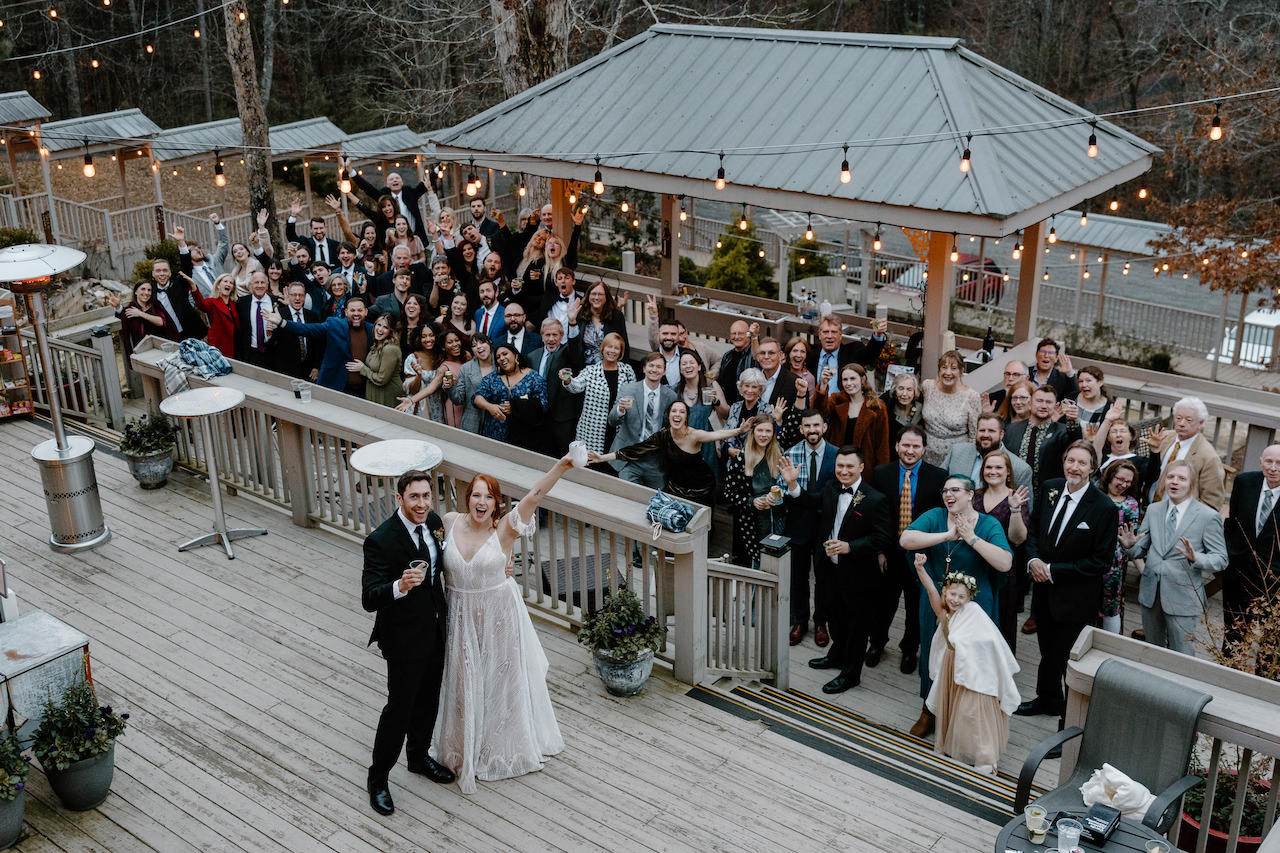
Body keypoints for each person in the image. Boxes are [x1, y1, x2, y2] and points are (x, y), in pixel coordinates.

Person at [432, 458, 573, 794]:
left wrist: (563, 466)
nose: (481, 502)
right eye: (476, 495)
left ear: (497, 504)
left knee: (498, 682)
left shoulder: (505, 529)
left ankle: (497, 748)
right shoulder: (449, 522)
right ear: (468, 499)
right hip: (459, 615)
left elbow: (535, 496)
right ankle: (460, 744)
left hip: (497, 618)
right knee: (462, 680)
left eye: (489, 497)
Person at [362, 469, 456, 816]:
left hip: (435, 629)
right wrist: (399, 587)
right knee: (399, 709)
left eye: (426, 496)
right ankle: (378, 778)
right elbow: (369, 597)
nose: (421, 503)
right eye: (414, 497)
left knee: (428, 700)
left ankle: (418, 758)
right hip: (402, 638)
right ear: (398, 499)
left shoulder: (433, 522)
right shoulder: (381, 540)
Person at [900, 475, 1012, 738]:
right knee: (932, 652)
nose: (948, 495)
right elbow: (906, 539)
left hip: (973, 608)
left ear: (971, 494)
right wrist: (948, 535)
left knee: (968, 660)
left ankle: (962, 715)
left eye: (956, 490)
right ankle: (929, 709)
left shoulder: (988, 524)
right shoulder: (936, 516)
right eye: (945, 490)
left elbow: (1005, 562)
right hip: (936, 600)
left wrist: (971, 538)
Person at [1016, 441, 1117, 728]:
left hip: (1076, 600)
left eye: (1082, 463)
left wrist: (1052, 570)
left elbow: (1101, 562)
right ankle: (1048, 699)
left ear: (1093, 469)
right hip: (1044, 592)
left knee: (1070, 662)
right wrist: (1033, 559)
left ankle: (1068, 723)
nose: (1074, 467)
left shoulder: (1103, 507)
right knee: (1047, 652)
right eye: (1070, 460)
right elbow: (1033, 529)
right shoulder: (1050, 487)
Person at [780, 446, 893, 693]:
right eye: (840, 466)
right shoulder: (832, 487)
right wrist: (792, 485)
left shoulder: (876, 499)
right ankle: (836, 656)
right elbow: (811, 501)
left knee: (856, 627)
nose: (843, 471)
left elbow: (883, 538)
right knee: (835, 619)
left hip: (859, 575)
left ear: (861, 467)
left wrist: (850, 546)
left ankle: (851, 675)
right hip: (830, 570)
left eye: (850, 466)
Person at [915, 558, 1020, 775]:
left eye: (961, 596)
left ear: (969, 597)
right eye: (952, 594)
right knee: (955, 710)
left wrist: (965, 647)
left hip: (975, 669)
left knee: (972, 713)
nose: (956, 600)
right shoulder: (943, 613)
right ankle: (960, 751)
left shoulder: (974, 613)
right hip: (951, 668)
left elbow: (988, 640)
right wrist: (919, 568)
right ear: (945, 592)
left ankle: (985, 758)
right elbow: (929, 589)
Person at [1118, 461, 1227, 655]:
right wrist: (1129, 546)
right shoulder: (1154, 510)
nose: (1174, 482)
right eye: (1170, 477)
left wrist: (1196, 558)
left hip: (1182, 598)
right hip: (1151, 594)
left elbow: (1221, 559)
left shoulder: (1207, 516)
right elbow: (1141, 549)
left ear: (1192, 483)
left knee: (1182, 656)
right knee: (1153, 651)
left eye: (1182, 478)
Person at [867, 426, 947, 688]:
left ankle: (910, 649)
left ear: (924, 449)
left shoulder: (938, 478)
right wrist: (878, 550)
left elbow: (940, 521)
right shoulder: (882, 473)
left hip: (920, 558)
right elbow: (874, 516)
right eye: (906, 445)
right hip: (888, 554)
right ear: (897, 446)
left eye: (916, 446)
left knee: (916, 606)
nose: (910, 451)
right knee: (882, 604)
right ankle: (877, 643)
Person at [590, 401, 747, 508]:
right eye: (674, 411)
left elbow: (718, 434)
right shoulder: (663, 436)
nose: (677, 414)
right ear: (669, 415)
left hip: (701, 487)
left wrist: (739, 430)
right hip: (676, 486)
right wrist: (602, 458)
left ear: (686, 417)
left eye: (682, 412)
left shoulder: (694, 435)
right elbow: (634, 451)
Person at [780, 410, 839, 647]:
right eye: (807, 426)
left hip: (827, 526)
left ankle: (821, 622)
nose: (812, 430)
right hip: (798, 525)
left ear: (824, 427)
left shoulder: (837, 455)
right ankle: (800, 620)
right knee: (798, 577)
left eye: (816, 425)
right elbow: (782, 489)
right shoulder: (790, 454)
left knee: (824, 578)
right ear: (801, 429)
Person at [1223, 444, 1280, 658]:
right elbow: (1231, 522)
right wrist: (1231, 554)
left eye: (1279, 464)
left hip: (1274, 579)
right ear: (1261, 462)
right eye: (1269, 462)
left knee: (1270, 645)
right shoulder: (1244, 482)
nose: (1273, 468)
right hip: (1238, 572)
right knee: (1233, 638)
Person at [266, 294, 374, 395]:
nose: (356, 313)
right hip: (337, 389)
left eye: (359, 310)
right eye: (352, 310)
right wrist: (282, 322)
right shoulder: (334, 324)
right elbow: (308, 329)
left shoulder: (372, 330)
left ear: (366, 312)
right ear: (346, 312)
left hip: (364, 391)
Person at [976, 448, 1030, 648]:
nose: (993, 471)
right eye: (988, 467)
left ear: (1008, 471)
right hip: (976, 563)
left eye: (999, 467)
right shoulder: (975, 496)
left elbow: (1018, 538)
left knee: (1001, 614)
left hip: (1003, 567)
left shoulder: (1017, 498)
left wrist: (1015, 509)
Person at [724, 415, 786, 569]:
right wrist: (751, 501)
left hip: (776, 519)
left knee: (778, 561)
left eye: (768, 431)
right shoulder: (742, 459)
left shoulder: (779, 455)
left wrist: (781, 494)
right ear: (753, 431)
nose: (763, 435)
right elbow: (729, 492)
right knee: (757, 562)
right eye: (760, 430)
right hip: (752, 522)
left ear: (773, 433)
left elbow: (787, 485)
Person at [1142, 396, 1226, 511]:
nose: (1181, 423)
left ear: (1200, 423)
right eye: (1178, 418)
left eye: (1188, 420)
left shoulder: (1209, 457)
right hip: (1150, 507)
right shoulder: (1164, 437)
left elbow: (1212, 502)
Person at [562, 332, 634, 462]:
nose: (612, 351)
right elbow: (576, 386)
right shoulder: (591, 371)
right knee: (591, 467)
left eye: (617, 348)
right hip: (592, 432)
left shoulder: (627, 371)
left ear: (621, 352)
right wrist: (567, 379)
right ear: (602, 349)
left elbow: (633, 395)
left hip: (618, 431)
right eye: (609, 347)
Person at [608, 353, 676, 489]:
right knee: (626, 493)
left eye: (659, 367)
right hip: (630, 456)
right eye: (651, 366)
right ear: (644, 368)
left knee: (657, 496)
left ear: (664, 371)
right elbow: (612, 421)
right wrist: (620, 410)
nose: (654, 370)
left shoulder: (671, 397)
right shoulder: (628, 390)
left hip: (655, 458)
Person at [1003, 385, 1083, 495]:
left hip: (1046, 494)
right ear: (1030, 404)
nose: (1044, 406)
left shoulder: (1062, 431)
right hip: (1013, 492)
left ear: (1055, 407)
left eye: (1049, 402)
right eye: (1039, 401)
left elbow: (1076, 444)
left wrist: (1073, 422)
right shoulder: (1012, 429)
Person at [812, 362, 890, 469]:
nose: (849, 383)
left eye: (853, 379)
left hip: (864, 465)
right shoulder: (837, 400)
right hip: (837, 463)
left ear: (862, 380)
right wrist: (824, 384)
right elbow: (818, 412)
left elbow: (882, 446)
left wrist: (881, 471)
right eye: (845, 380)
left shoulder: (877, 407)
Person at [944, 413, 1033, 500]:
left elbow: (1025, 509)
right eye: (982, 430)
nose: (985, 435)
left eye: (991, 431)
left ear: (1001, 434)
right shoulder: (957, 452)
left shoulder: (1020, 469)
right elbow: (939, 483)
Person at [1098, 460, 1142, 634]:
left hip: (1113, 563)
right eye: (1120, 479)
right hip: (1087, 556)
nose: (1123, 485)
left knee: (1110, 607)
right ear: (1110, 476)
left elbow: (1131, 536)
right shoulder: (1094, 493)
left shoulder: (1131, 504)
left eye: (1128, 482)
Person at [475, 343, 547, 450]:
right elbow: (477, 397)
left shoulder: (533, 378)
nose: (502, 358)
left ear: (515, 355)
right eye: (498, 357)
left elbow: (543, 406)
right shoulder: (492, 378)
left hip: (524, 436)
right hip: (495, 434)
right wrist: (490, 407)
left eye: (505, 354)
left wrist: (516, 407)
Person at [528, 318, 579, 457]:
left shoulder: (566, 353)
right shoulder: (532, 356)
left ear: (562, 336)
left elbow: (575, 348)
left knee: (565, 455)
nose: (551, 339)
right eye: (547, 335)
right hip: (539, 417)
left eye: (555, 335)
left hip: (562, 417)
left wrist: (573, 323)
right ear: (542, 336)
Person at [921, 350, 980, 466]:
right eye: (944, 367)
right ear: (939, 370)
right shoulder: (927, 387)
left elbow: (974, 435)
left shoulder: (972, 397)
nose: (948, 373)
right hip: (926, 454)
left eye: (953, 368)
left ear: (961, 371)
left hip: (955, 457)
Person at [810, 314, 888, 397]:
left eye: (834, 332)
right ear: (819, 335)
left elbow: (871, 353)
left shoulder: (852, 352)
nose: (829, 336)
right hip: (815, 406)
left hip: (842, 406)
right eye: (825, 332)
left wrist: (878, 334)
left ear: (840, 335)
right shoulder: (810, 355)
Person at [568, 280, 629, 371]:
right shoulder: (580, 315)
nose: (596, 297)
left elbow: (624, 345)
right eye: (593, 294)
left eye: (600, 294)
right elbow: (573, 347)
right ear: (588, 296)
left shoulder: (616, 316)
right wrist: (572, 321)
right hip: (584, 368)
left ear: (606, 297)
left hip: (609, 368)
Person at [108, 280, 169, 366]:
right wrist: (118, 307)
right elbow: (123, 316)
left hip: (161, 348)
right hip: (144, 351)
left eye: (149, 290)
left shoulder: (155, 304)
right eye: (143, 289)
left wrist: (140, 314)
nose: (146, 293)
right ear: (136, 291)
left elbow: (161, 322)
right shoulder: (131, 309)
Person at [270, 281, 322, 381]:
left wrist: (317, 366)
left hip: (308, 372)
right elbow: (271, 344)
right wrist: (269, 333)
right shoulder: (279, 315)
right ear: (288, 296)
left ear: (305, 297)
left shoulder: (312, 316)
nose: (297, 298)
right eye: (294, 295)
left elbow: (318, 344)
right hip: (286, 371)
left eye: (301, 295)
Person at [397, 324, 451, 421]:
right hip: (419, 406)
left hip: (438, 407)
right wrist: (419, 375)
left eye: (431, 335)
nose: (428, 339)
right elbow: (413, 391)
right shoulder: (413, 359)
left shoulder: (442, 357)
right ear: (418, 339)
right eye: (423, 336)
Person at [351, 314, 403, 408]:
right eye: (378, 325)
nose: (380, 329)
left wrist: (363, 369)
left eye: (385, 327)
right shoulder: (376, 345)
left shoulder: (390, 349)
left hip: (387, 393)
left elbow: (382, 378)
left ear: (390, 331)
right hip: (374, 390)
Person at [149, 258, 207, 342]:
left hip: (191, 333)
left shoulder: (179, 284)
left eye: (165, 270)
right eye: (158, 271)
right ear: (153, 274)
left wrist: (182, 246)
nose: (162, 274)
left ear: (170, 273)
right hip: (170, 338)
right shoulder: (152, 295)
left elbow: (186, 266)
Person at [182, 272, 238, 359]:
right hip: (220, 345)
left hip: (236, 344)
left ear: (233, 288)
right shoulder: (212, 302)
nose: (228, 284)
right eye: (225, 281)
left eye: (231, 283)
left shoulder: (236, 303)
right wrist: (193, 286)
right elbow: (201, 304)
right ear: (218, 284)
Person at [448, 334, 496, 434]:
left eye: (482, 342)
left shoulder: (500, 363)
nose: (479, 347)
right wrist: (450, 386)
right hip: (472, 423)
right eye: (474, 345)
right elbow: (459, 400)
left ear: (490, 343)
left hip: (496, 422)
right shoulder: (466, 368)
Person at [174, 214, 229, 297]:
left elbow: (224, 243)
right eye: (193, 249)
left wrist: (217, 223)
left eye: (198, 247)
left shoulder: (214, 260)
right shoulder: (190, 276)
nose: (197, 250)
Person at [233, 271, 278, 368]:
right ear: (250, 285)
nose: (259, 285)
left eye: (262, 282)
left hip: (272, 354)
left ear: (267, 285)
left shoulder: (277, 302)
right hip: (250, 354)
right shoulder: (242, 303)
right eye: (256, 282)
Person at [717, 320, 758, 406]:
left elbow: (757, 357)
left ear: (748, 335)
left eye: (740, 333)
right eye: (734, 333)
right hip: (728, 408)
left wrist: (755, 337)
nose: (736, 337)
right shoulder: (727, 356)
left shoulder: (752, 354)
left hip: (747, 406)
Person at [1073, 366, 1111, 440]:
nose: (1084, 385)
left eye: (1088, 380)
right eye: (1081, 381)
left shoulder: (1109, 408)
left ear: (1100, 382)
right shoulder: (1072, 399)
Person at [886, 371, 923, 448]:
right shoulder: (888, 410)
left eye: (909, 389)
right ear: (895, 391)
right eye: (901, 388)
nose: (904, 394)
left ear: (914, 392)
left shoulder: (921, 410)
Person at [783, 336, 817, 408]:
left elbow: (810, 405)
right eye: (795, 351)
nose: (798, 355)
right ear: (789, 353)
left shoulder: (809, 378)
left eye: (802, 352)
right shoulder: (781, 369)